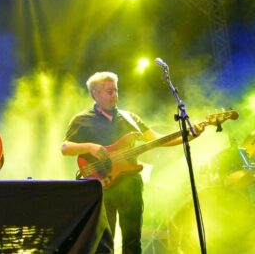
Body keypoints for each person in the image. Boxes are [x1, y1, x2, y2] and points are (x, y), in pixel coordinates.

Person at [60, 71, 204, 254]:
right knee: (103, 244)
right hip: (102, 186)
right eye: (109, 91)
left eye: (116, 90)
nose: (115, 95)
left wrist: (188, 135)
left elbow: (158, 140)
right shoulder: (82, 119)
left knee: (133, 241)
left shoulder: (130, 118)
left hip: (131, 186)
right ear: (95, 94)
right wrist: (90, 147)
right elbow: (65, 148)